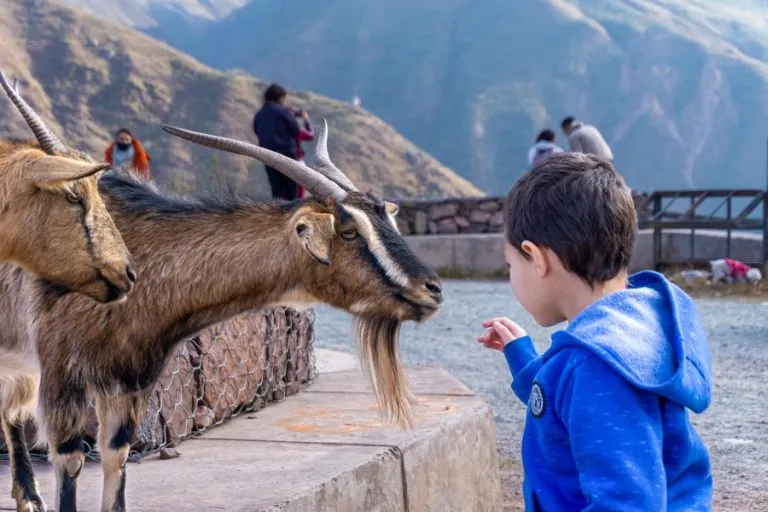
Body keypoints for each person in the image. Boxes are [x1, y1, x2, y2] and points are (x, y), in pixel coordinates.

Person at [477, 153, 712, 511]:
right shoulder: (630, 331)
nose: (511, 276)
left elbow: (627, 501)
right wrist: (523, 358)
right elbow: (575, 410)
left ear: (536, 258)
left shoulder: (595, 364)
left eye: (511, 265)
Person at [252, 83, 302, 200]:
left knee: (277, 192)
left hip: (268, 157)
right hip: (287, 156)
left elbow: (257, 130)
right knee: (291, 193)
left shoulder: (259, 115)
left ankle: (276, 217)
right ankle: (291, 217)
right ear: (280, 97)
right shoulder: (283, 112)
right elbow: (296, 131)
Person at [294, 109, 315, 199]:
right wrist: (306, 120)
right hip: (296, 161)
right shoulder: (293, 129)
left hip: (277, 160)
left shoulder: (276, 128)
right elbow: (310, 135)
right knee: (299, 193)